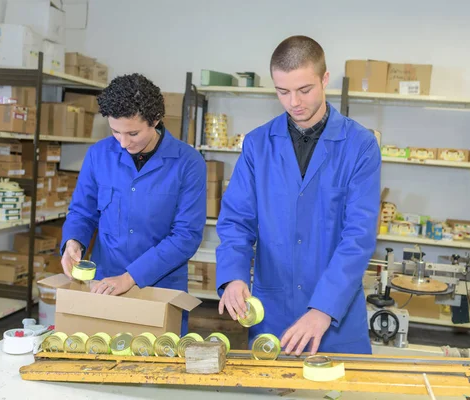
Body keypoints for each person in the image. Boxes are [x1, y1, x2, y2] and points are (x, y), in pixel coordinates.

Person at [216, 36, 381, 355]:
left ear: (325, 79)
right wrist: (234, 277)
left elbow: (358, 237)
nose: (293, 102)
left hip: (336, 318)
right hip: (272, 313)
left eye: (304, 90)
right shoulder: (257, 145)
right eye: (282, 91)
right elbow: (237, 222)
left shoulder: (360, 146)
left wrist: (323, 309)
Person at [61, 73, 207, 332]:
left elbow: (186, 237)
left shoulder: (188, 163)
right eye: (115, 132)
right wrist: (73, 241)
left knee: (158, 366)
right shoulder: (98, 155)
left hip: (162, 289)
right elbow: (82, 212)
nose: (124, 143)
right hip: (103, 285)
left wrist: (130, 277)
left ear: (156, 120)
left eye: (133, 133)